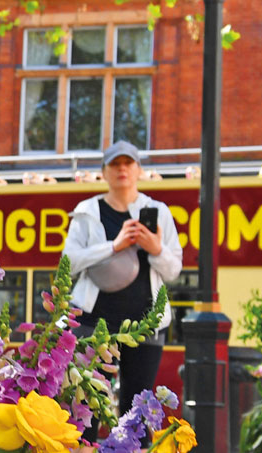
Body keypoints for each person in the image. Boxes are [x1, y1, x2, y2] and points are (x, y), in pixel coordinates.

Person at [62, 140, 184, 417]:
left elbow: (174, 269)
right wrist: (114, 245)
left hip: (147, 325)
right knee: (85, 406)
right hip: (92, 321)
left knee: (138, 408)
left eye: (128, 163)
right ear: (104, 172)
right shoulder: (87, 211)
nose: (122, 169)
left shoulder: (159, 211)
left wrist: (155, 249)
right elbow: (68, 264)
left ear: (139, 170)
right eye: (115, 164)